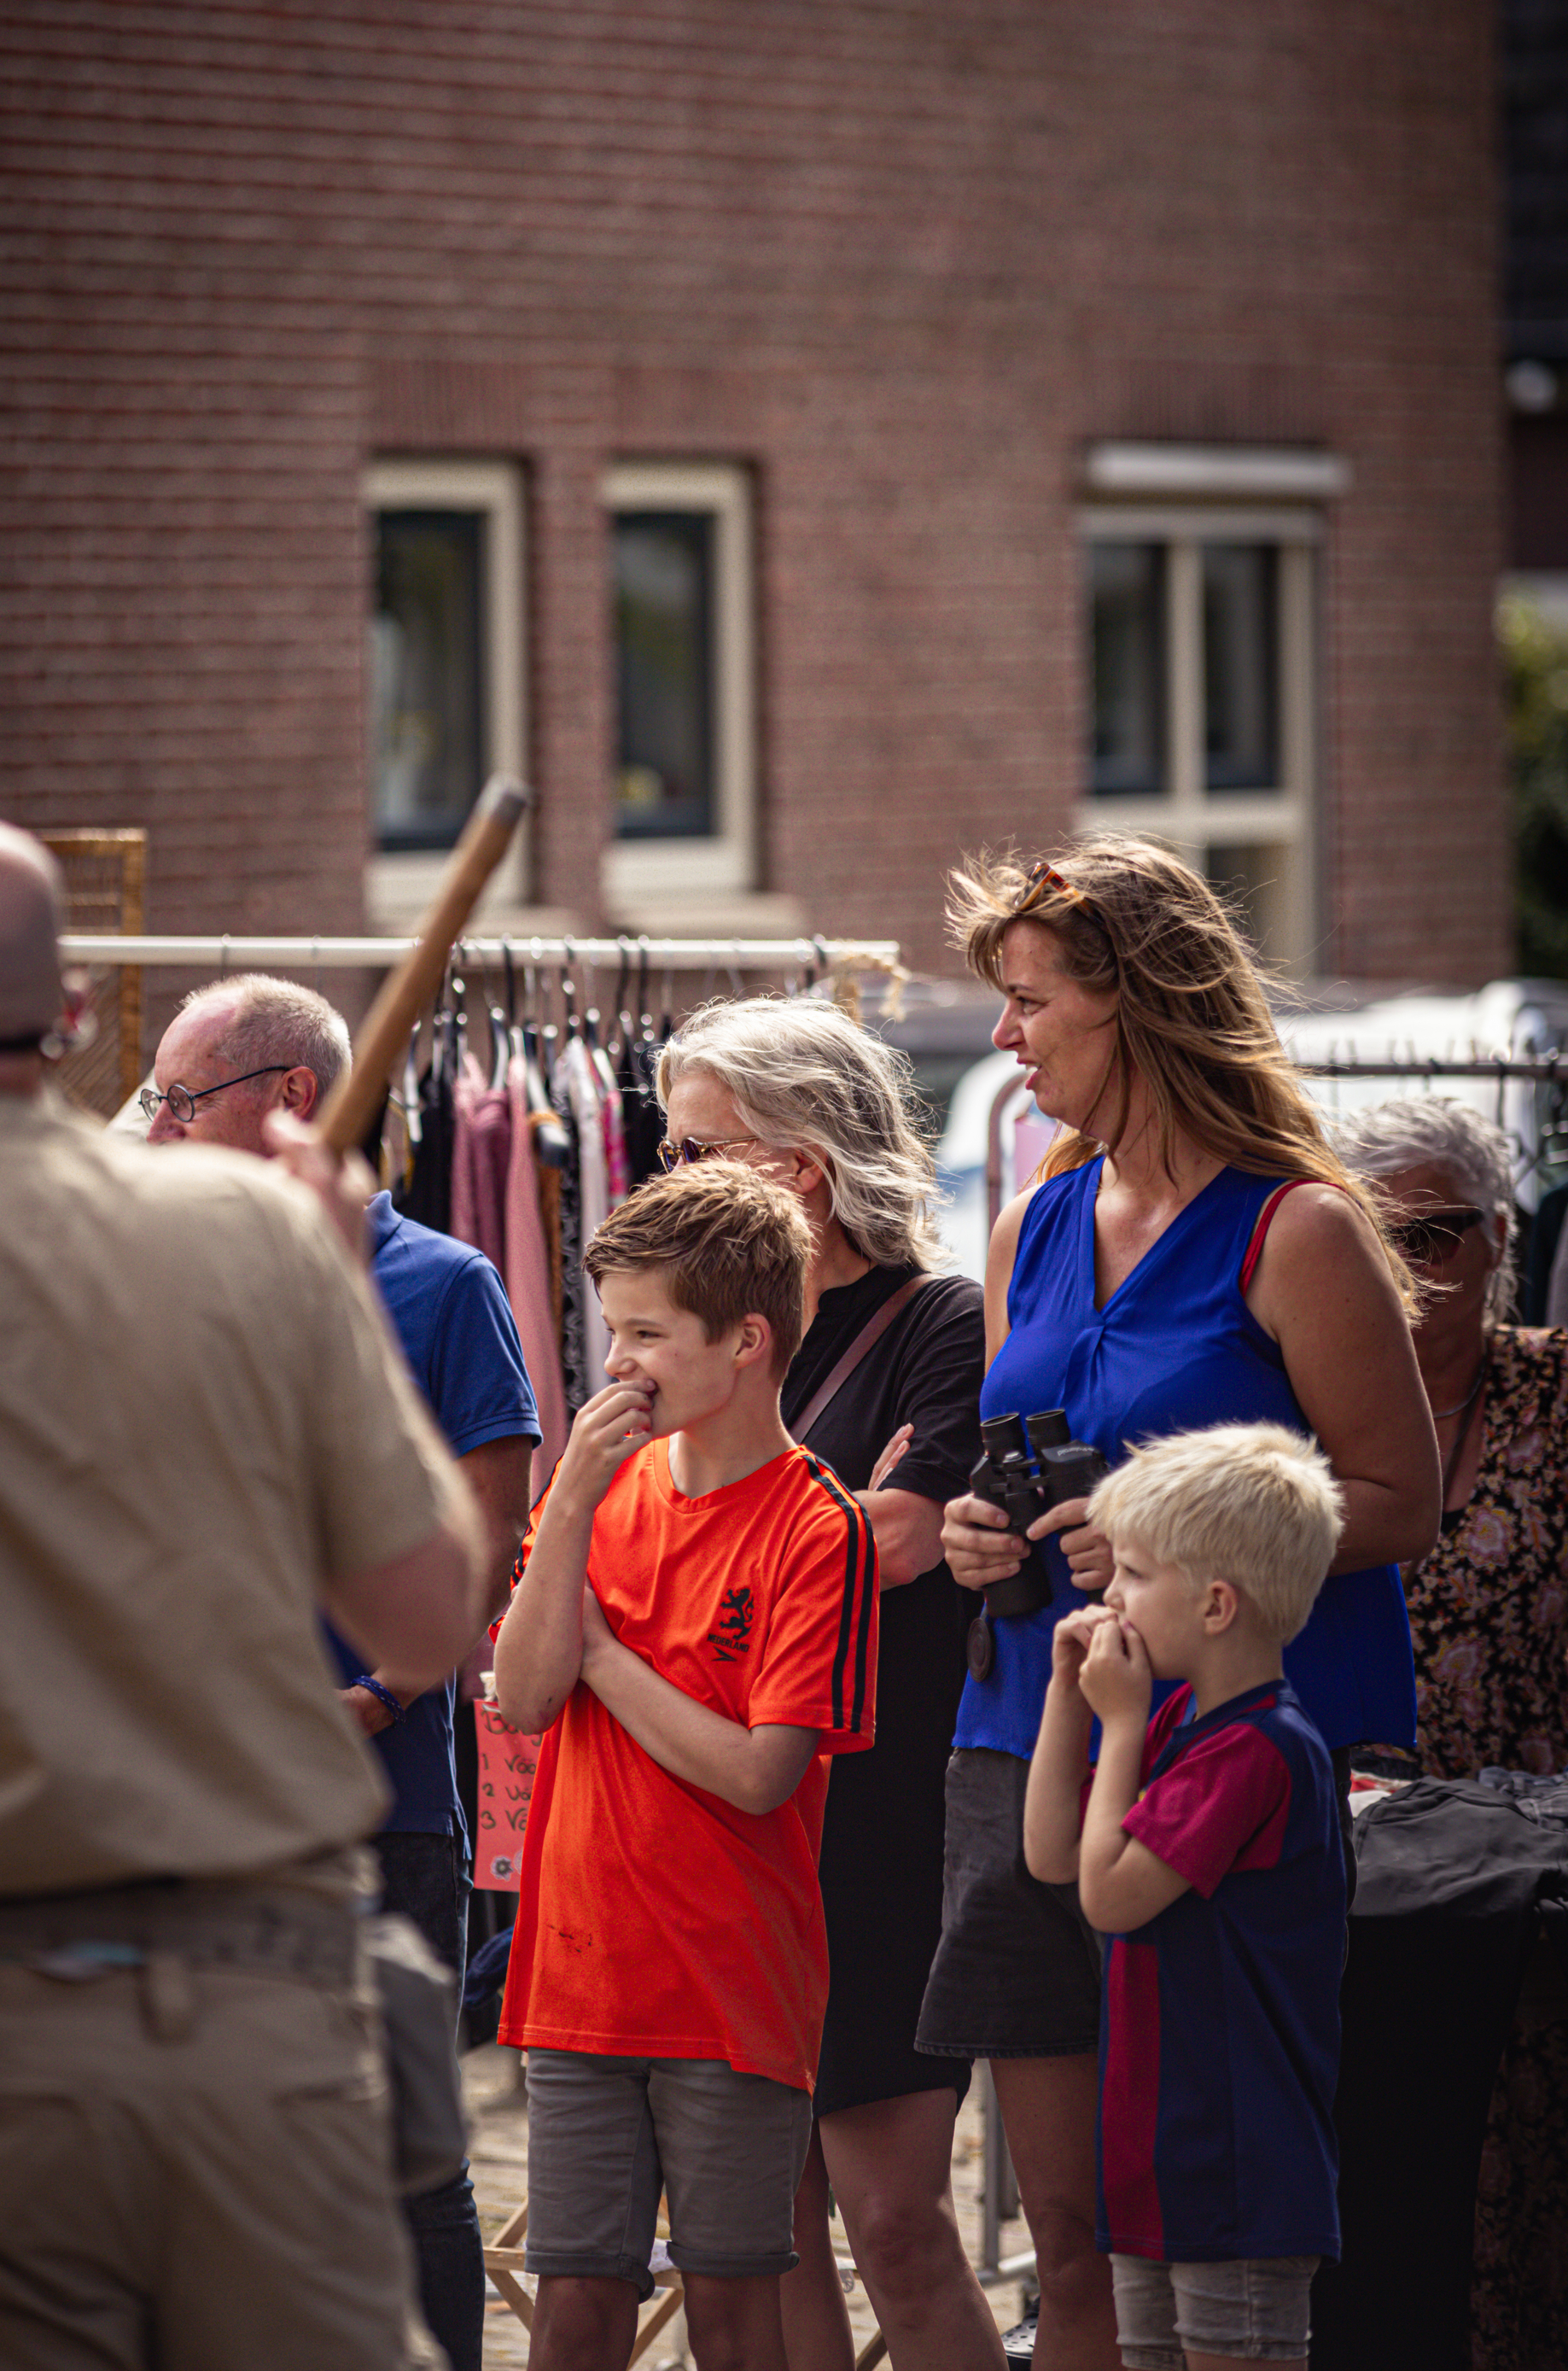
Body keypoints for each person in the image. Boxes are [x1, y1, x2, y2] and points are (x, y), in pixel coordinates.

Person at [0, 810, 489, 2371]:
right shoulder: (249, 1237)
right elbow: (430, 1616)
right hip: (259, 2015)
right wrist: (333, 1292)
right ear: (73, 1022)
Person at [917, 838, 1440, 2371]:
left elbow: (1398, 1500)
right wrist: (980, 1535)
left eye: (1028, 1004)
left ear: (1135, 1002)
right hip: (1026, 1747)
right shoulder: (1031, 1227)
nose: (1003, 1041)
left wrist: (1174, 1544)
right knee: (1066, 2236)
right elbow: (1028, 1465)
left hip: (1228, 1767)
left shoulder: (1299, 1231)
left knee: (1214, 2231)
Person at [144, 972, 540, 2371]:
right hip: (196, 1807)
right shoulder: (172, 1280)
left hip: (380, 1805)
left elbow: (490, 1548)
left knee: (407, 2147)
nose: (156, 1131)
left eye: (181, 1100)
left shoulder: (442, 1284)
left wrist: (371, 1697)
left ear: (292, 1099)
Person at [656, 996, 1005, 2371]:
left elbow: (907, 1541)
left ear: (793, 1165)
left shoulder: (940, 1320)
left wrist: (744, 1553)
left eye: (694, 1153)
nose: (668, 1182)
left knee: (897, 2223)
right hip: (725, 1822)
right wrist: (818, 1528)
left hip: (874, 1827)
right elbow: (660, 1562)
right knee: (761, 2233)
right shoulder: (700, 1329)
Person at [492, 1162, 881, 2371]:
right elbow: (518, 1694)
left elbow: (761, 1772)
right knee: (577, 2313)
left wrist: (605, 1660)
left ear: (748, 1341)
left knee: (731, 2315)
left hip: (731, 1989)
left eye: (647, 1333)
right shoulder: (597, 1492)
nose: (619, 1362)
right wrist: (563, 1519)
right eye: (614, 1330)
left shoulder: (818, 1524)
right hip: (579, 1974)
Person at [1024, 1424, 1347, 2371]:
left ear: (1214, 1604)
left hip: (1237, 2168)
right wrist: (1065, 1701)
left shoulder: (1259, 1748)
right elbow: (1050, 1855)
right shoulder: (1174, 1721)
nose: (1106, 1597)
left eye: (1129, 1575)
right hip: (1160, 2163)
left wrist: (1116, 1723)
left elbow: (1109, 1899)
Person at [1335, 1094, 1568, 2371]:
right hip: (1368, 1876)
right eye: (1376, 1239)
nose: (1409, 1271)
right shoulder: (1295, 1405)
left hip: (1537, 1864)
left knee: (1528, 2149)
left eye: (1434, 1236)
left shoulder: (1554, 1391)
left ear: (1494, 1237)